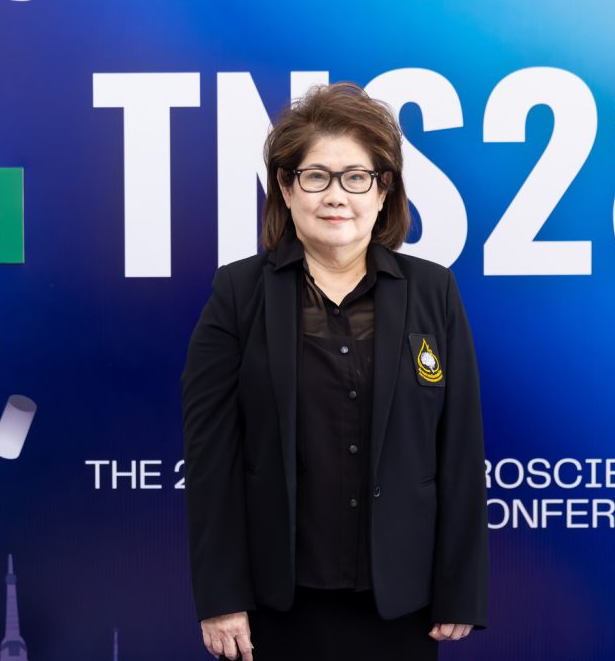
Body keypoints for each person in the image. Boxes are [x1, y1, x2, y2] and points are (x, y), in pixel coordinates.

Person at [181, 82, 488, 661]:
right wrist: (221, 598)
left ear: (384, 189)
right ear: (286, 187)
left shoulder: (433, 291)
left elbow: (460, 450)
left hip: (401, 601)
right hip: (274, 604)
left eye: (356, 177)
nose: (335, 196)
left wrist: (460, 588)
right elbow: (211, 459)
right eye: (316, 176)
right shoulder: (238, 293)